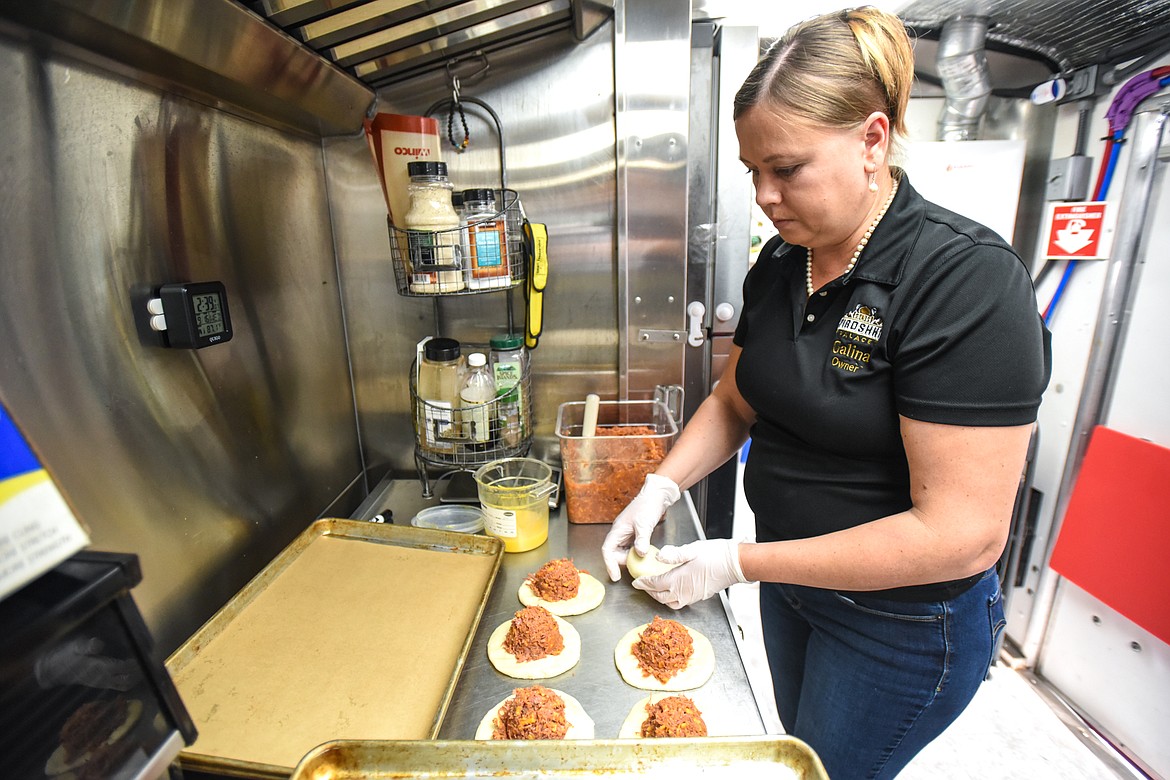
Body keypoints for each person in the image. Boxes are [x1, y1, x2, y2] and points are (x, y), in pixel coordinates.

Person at [600, 7, 1051, 779]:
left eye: (786, 169)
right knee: (796, 751)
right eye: (753, 173)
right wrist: (662, 484)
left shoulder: (963, 279)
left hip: (902, 626)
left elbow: (965, 533)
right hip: (793, 591)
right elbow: (736, 401)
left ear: (872, 140)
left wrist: (740, 560)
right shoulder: (782, 260)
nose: (765, 195)